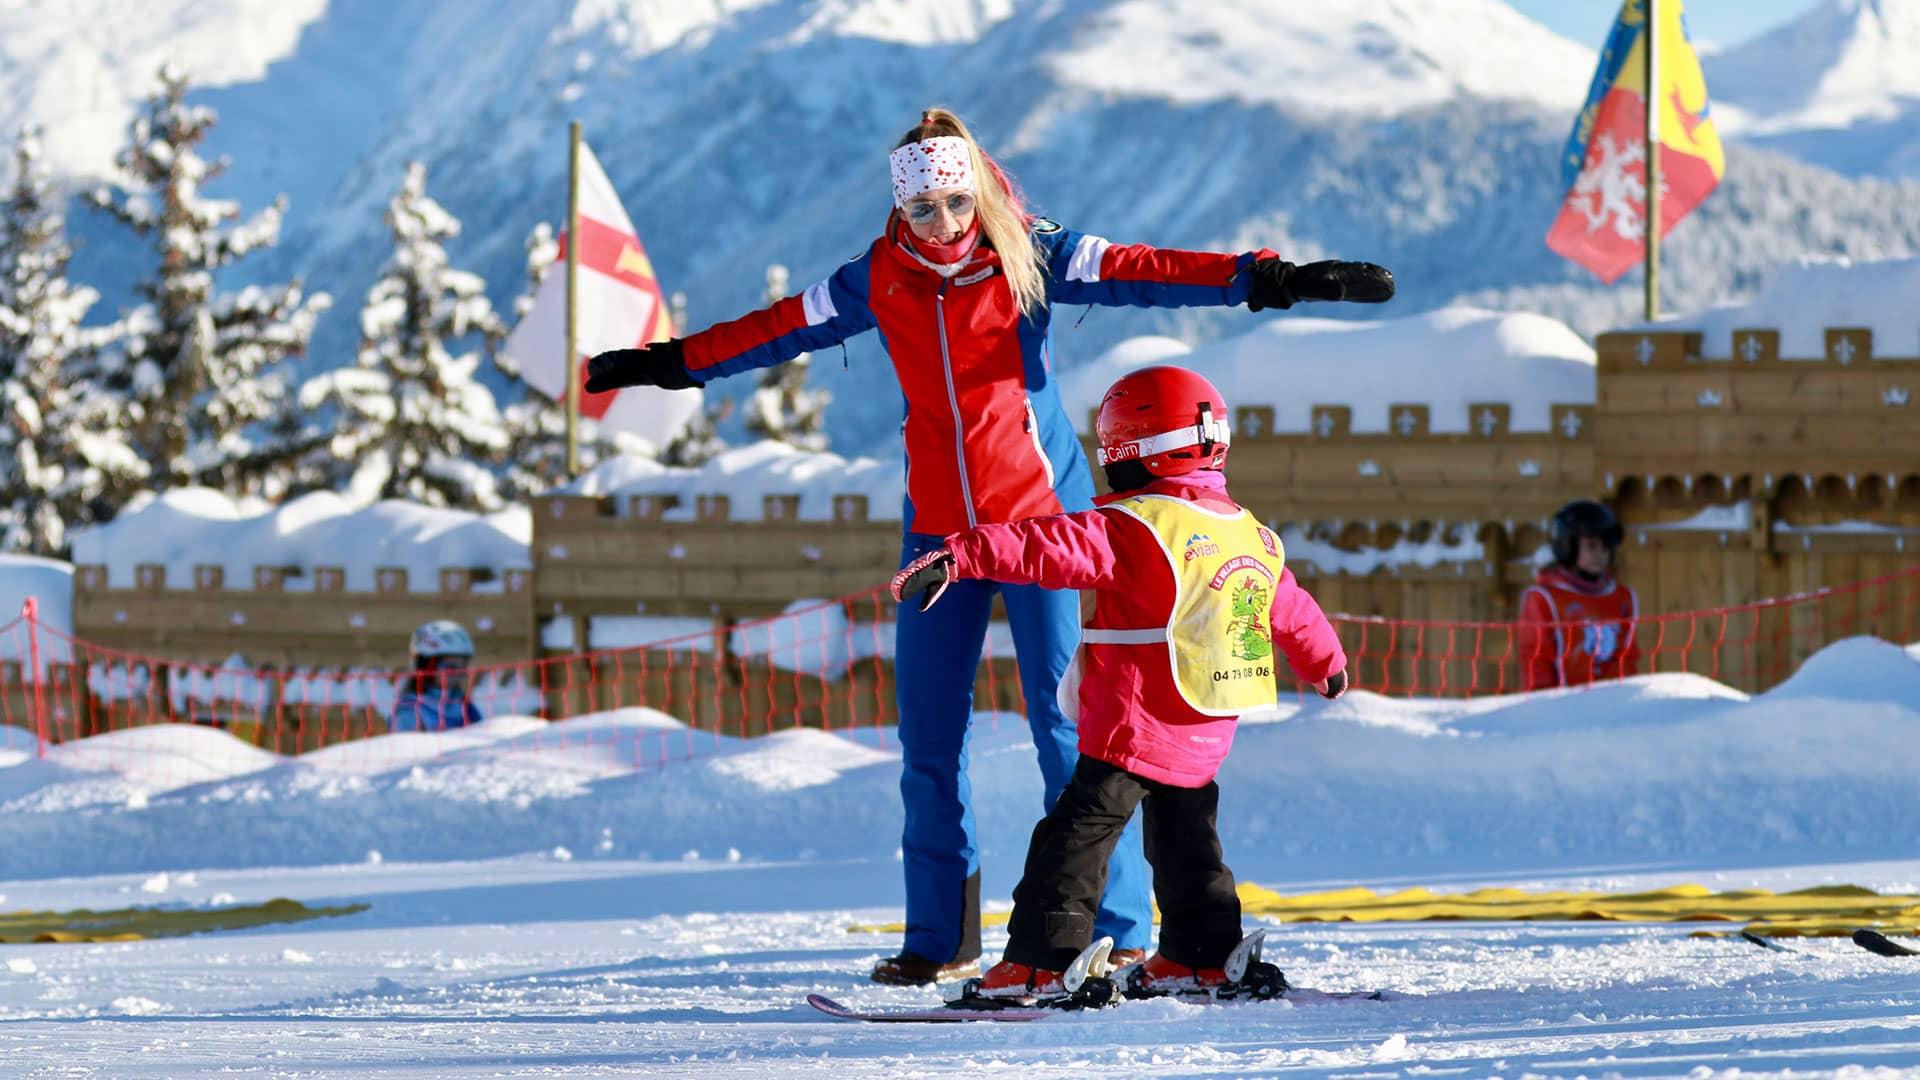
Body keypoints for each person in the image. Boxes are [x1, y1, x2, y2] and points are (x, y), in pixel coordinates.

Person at [585, 107, 1393, 985]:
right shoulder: (875, 278)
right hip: (940, 532)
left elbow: (1143, 271)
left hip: (1051, 523)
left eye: (955, 202)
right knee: (928, 736)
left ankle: (1115, 929)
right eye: (923, 209)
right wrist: (671, 363)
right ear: (901, 208)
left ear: (977, 189)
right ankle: (940, 936)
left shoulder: (1031, 253)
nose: (942, 224)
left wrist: (1265, 278)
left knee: (1071, 727)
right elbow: (772, 329)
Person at [890, 365, 1349, 1000]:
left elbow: (1044, 545)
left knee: (1071, 841)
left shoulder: (1134, 527)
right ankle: (1203, 952)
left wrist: (961, 554)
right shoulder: (1249, 532)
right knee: (1189, 842)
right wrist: (1327, 666)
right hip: (1206, 725)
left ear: (1129, 450)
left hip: (1132, 725)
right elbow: (1294, 611)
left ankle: (1040, 961)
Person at [1518, 500, 1639, 691]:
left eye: (1605, 547)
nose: (1600, 554)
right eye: (1591, 546)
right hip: (1564, 708)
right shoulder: (1545, 598)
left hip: (1614, 705)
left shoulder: (1622, 597)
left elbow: (1628, 658)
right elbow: (1536, 659)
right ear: (1568, 547)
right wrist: (1542, 706)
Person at [390, 620, 484, 731]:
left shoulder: (463, 705)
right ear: (426, 666)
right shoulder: (410, 712)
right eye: (451, 667)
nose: (458, 673)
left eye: (462, 666)